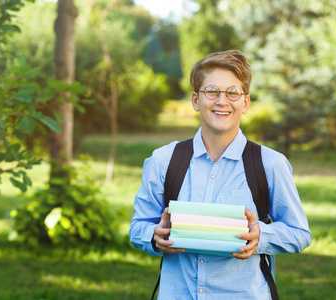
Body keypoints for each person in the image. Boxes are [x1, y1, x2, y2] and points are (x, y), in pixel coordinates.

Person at [129, 50, 312, 299]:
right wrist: (153, 237)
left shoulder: (270, 164)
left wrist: (261, 235)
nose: (222, 101)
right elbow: (138, 226)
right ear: (196, 100)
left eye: (233, 92)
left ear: (245, 102)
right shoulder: (163, 160)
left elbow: (299, 234)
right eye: (212, 91)